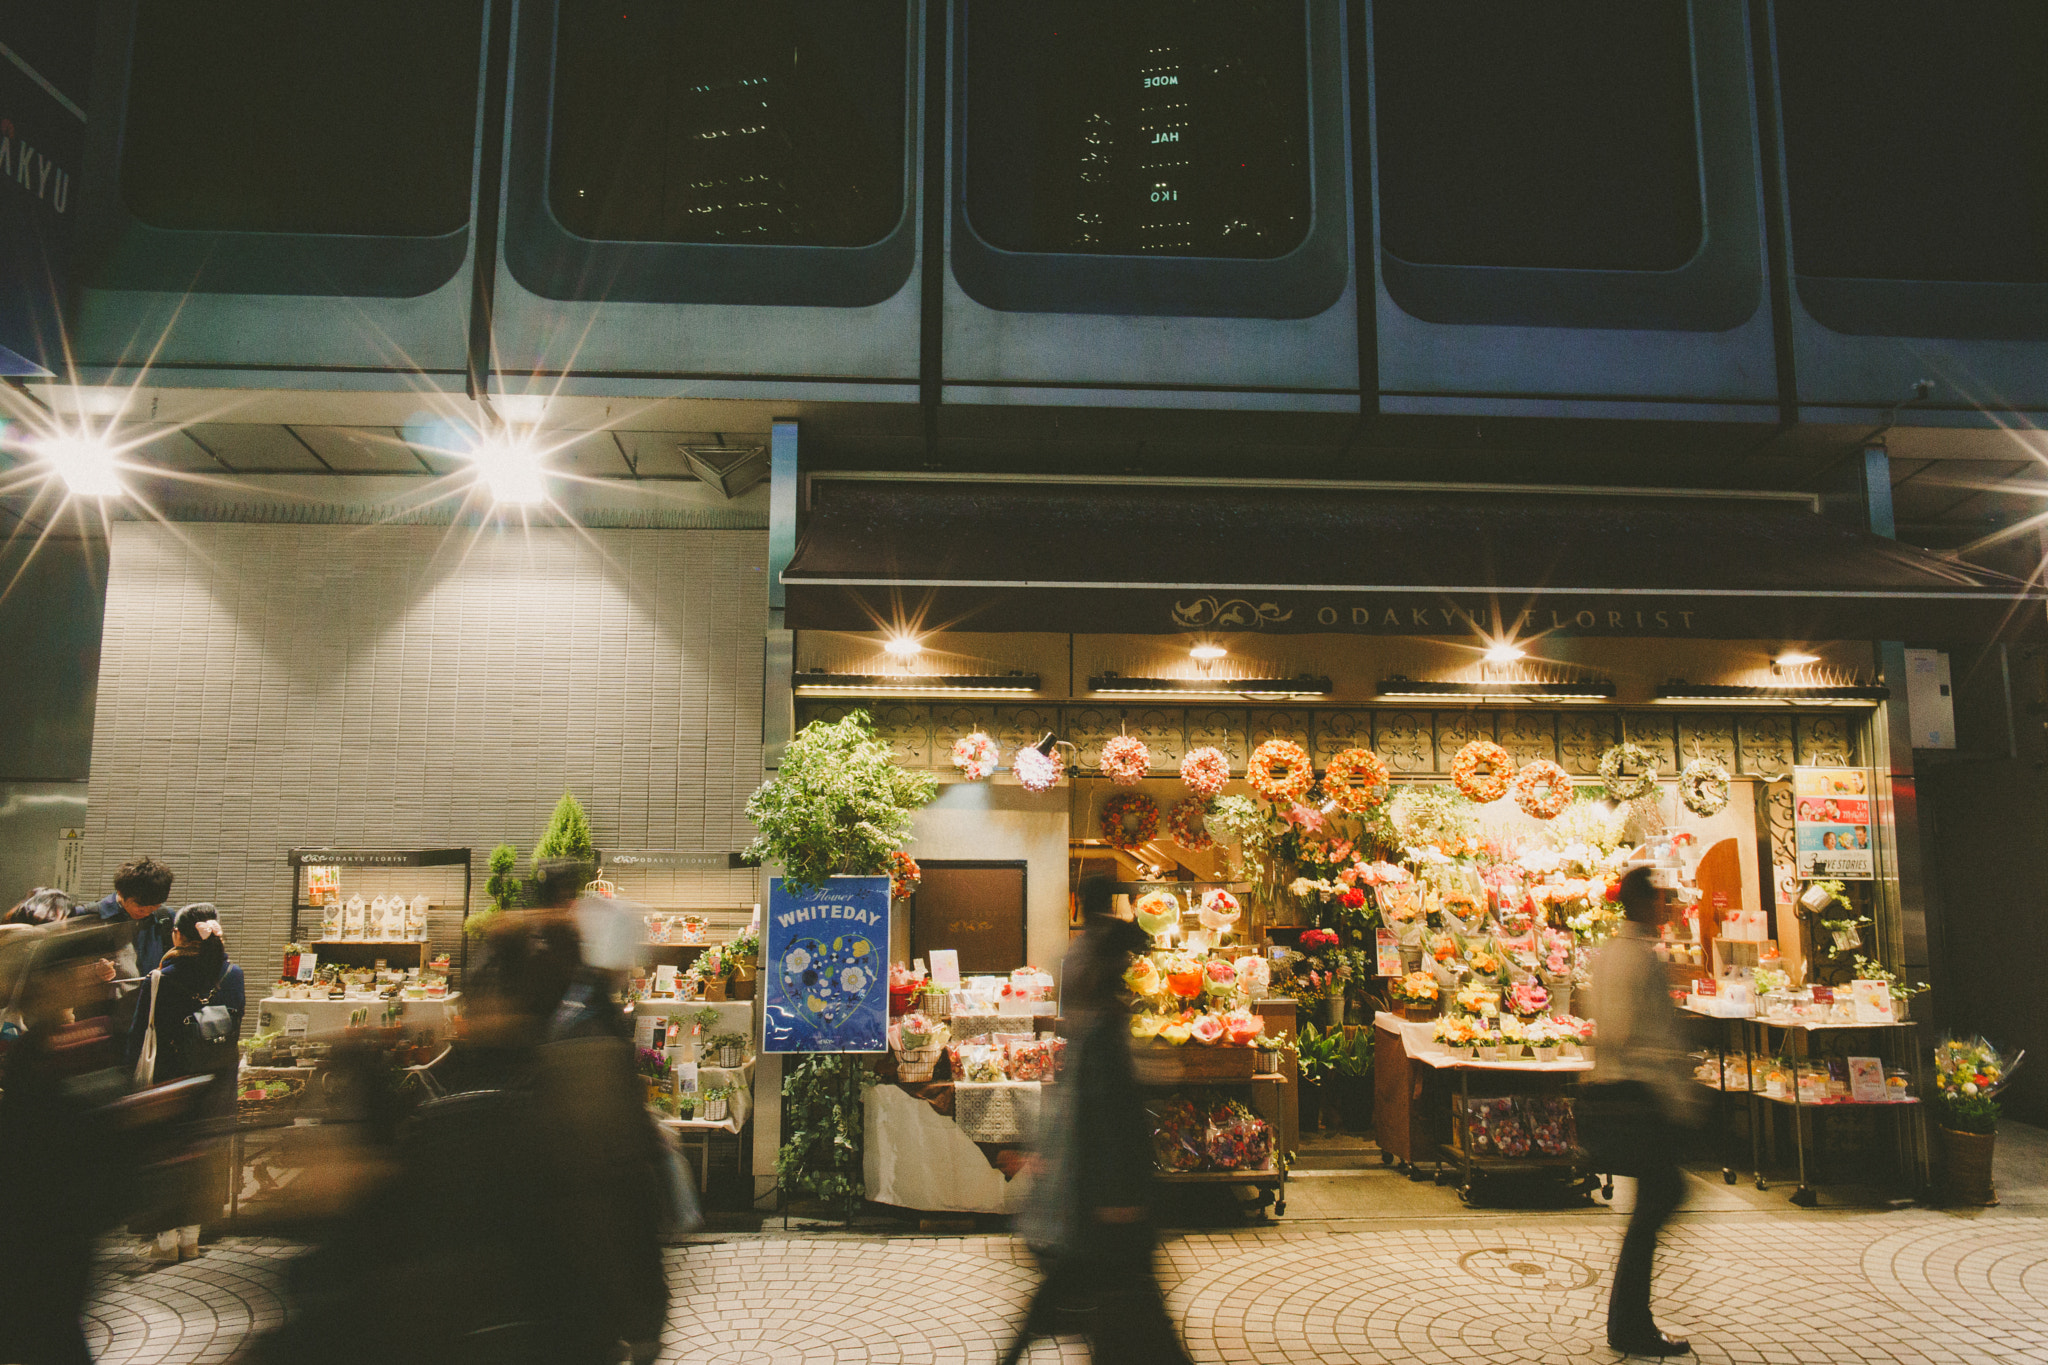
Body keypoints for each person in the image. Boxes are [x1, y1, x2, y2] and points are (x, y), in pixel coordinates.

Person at [1002, 877, 1193, 1365]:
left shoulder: (1088, 998)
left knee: (1086, 1298)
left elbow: (1088, 1109)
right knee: (1123, 1306)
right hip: (1104, 1200)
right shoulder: (1105, 1028)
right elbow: (1110, 1117)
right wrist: (1121, 1199)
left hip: (1088, 1196)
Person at [1584, 867, 1705, 1356]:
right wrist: (1676, 1088)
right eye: (1659, 902)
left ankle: (1630, 1319)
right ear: (1642, 904)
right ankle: (1630, 1323)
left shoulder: (1611, 953)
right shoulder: (1640, 959)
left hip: (1618, 1089)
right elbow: (1637, 1032)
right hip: (1640, 1095)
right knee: (1660, 1199)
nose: (1665, 910)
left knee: (1651, 1205)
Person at [0, 919, 132, 1365]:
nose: (92, 974)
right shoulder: (39, 1049)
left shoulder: (62, 1042)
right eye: (77, 969)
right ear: (44, 982)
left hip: (58, 1230)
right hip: (39, 1230)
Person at [125, 903, 244, 1262]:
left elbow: (139, 1035)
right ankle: (191, 1240)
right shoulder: (233, 974)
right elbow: (235, 1026)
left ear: (177, 935)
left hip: (171, 1081)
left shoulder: (161, 977)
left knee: (168, 1156)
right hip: (218, 1079)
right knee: (207, 1156)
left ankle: (165, 1244)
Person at [81, 856, 177, 1032]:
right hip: (100, 1022)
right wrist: (93, 971)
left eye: (154, 906)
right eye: (140, 905)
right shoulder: (89, 917)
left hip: (149, 1019)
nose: (146, 911)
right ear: (120, 891)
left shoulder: (165, 918)